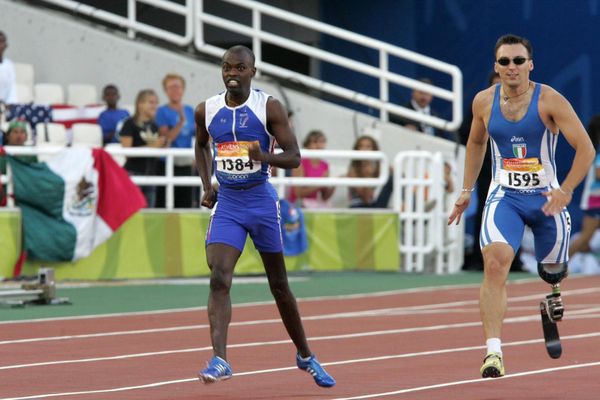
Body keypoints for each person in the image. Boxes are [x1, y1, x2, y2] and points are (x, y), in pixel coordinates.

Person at [448, 34, 594, 378]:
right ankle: (493, 353)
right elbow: (475, 141)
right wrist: (467, 189)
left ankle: (553, 292)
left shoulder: (550, 101)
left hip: (546, 199)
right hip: (505, 198)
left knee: (552, 270)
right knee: (496, 263)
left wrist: (567, 190)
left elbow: (585, 148)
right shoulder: (483, 101)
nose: (511, 67)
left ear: (530, 64)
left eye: (517, 61)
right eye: (504, 62)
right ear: (495, 67)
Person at [194, 45, 335, 387]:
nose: (232, 73)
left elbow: (295, 157)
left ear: (252, 72)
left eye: (240, 68)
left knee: (279, 286)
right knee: (219, 276)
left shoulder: (268, 106)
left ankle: (305, 355)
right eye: (227, 67)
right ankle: (220, 359)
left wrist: (263, 157)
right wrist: (207, 183)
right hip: (228, 202)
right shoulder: (207, 110)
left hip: (260, 202)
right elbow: (200, 146)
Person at [461, 72, 525, 272]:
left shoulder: (523, 106)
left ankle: (515, 259)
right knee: (486, 209)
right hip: (488, 168)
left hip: (514, 166)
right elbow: (470, 136)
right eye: (496, 85)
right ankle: (480, 258)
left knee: (518, 210)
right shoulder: (482, 104)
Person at [119, 89, 166, 207]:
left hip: (151, 174)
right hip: (133, 174)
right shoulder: (129, 124)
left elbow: (157, 153)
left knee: (150, 215)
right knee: (131, 210)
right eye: (151, 102)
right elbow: (127, 152)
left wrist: (162, 146)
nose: (155, 106)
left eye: (156, 103)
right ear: (140, 104)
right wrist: (153, 146)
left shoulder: (154, 125)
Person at [156, 73, 196, 208]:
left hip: (185, 162)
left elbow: (198, 134)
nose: (175, 90)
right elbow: (166, 139)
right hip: (166, 162)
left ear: (183, 89)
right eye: (170, 87)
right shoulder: (161, 111)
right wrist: (180, 123)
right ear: (165, 91)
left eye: (177, 86)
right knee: (164, 201)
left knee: (185, 203)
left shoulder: (190, 110)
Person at [569, 115, 600, 257]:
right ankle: (559, 265)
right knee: (584, 239)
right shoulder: (597, 151)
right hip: (596, 201)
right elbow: (598, 174)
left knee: (586, 242)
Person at [289, 130, 335, 208]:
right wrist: (320, 183)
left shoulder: (325, 165)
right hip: (298, 204)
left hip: (313, 204)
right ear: (307, 145)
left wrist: (334, 184)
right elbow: (298, 193)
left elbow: (324, 197)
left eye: (322, 142)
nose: (319, 145)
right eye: (315, 142)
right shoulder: (300, 163)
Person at [347, 135, 393, 208]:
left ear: (374, 149)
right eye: (361, 146)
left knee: (393, 177)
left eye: (368, 147)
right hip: (359, 206)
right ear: (357, 149)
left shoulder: (379, 166)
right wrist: (368, 176)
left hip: (376, 204)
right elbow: (366, 199)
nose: (364, 150)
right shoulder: (353, 170)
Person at [0, 31, 17, 105]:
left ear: (6, 45)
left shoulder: (9, 65)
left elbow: (12, 89)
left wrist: (10, 104)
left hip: (3, 106)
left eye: (1, 41)